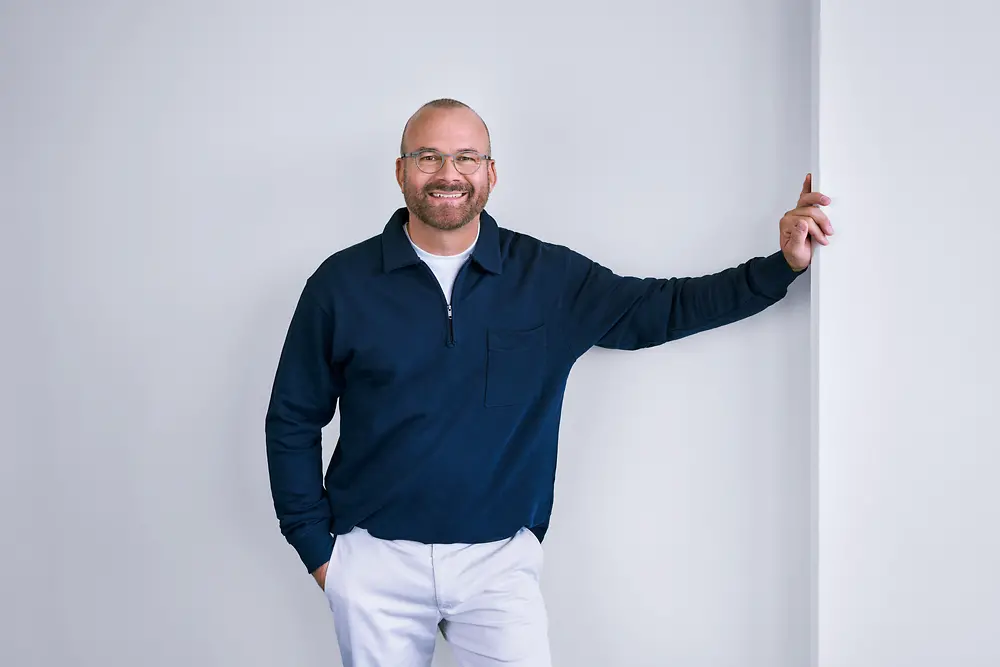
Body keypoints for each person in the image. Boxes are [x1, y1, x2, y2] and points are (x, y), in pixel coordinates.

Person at [264, 98, 833, 667]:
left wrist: (779, 266)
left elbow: (664, 307)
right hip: (374, 560)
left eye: (467, 157)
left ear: (491, 172)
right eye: (428, 157)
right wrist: (319, 551)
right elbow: (292, 418)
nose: (448, 174)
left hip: (498, 565)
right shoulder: (340, 284)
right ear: (400, 171)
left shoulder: (547, 278)